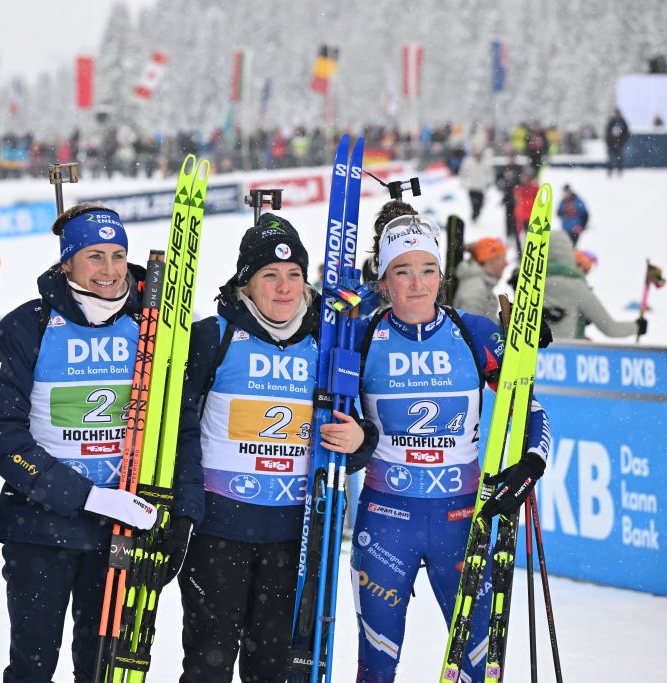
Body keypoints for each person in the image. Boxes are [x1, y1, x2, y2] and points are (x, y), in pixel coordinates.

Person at [0, 204, 175, 683]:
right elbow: (2, 434)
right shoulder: (24, 327)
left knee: (100, 669)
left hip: (119, 531)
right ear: (67, 262)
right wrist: (87, 496)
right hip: (39, 528)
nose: (110, 270)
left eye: (118, 255)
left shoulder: (153, 328)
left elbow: (176, 426)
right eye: (94, 256)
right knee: (33, 667)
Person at [174, 212, 378, 683]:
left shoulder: (330, 344)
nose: (284, 288)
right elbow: (181, 428)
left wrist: (360, 440)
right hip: (218, 533)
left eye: (294, 276)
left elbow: (363, 425)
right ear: (246, 284)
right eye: (270, 275)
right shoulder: (214, 337)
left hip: (296, 538)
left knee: (275, 671)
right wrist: (183, 508)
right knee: (208, 666)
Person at [350, 210, 552, 683]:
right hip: (385, 521)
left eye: (427, 270)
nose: (416, 284)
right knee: (375, 667)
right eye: (402, 271)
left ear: (442, 276)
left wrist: (531, 464)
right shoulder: (361, 337)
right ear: (384, 279)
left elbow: (530, 411)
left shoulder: (473, 332)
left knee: (479, 667)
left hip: (464, 521)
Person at [543, 229, 645, 341]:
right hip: (567, 353)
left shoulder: (526, 282)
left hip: (529, 355)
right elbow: (611, 328)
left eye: (586, 270)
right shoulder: (578, 288)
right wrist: (637, 327)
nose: (581, 271)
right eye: (579, 264)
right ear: (570, 255)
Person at [454, 237, 507, 322]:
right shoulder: (474, 290)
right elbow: (469, 330)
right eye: (502, 258)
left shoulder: (480, 284)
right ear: (491, 260)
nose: (506, 263)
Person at [459, 148, 491, 223]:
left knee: (480, 204)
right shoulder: (468, 162)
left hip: (481, 187)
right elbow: (463, 172)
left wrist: (488, 182)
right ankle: (474, 217)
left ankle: (476, 216)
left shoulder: (484, 162)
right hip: (471, 187)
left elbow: (489, 173)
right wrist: (463, 182)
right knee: (474, 204)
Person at [605, 107, 630, 176]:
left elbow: (626, 133)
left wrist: (622, 142)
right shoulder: (611, 121)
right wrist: (609, 142)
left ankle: (619, 171)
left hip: (620, 144)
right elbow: (607, 132)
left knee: (620, 159)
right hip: (611, 144)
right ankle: (610, 171)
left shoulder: (623, 121)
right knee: (611, 158)